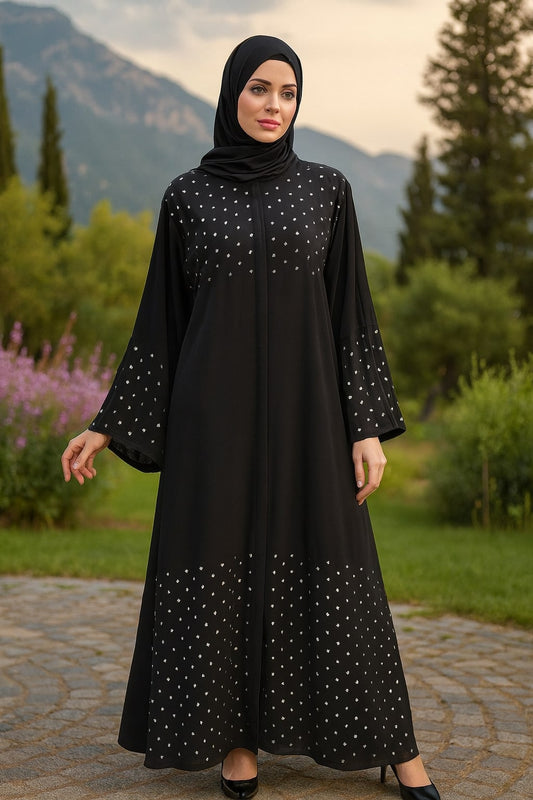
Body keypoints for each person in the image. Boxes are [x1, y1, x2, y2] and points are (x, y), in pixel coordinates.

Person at [61, 35, 441, 800]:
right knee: (220, 569)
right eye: (260, 89)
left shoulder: (327, 189)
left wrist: (363, 428)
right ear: (233, 92)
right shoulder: (186, 196)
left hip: (311, 422)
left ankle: (399, 752)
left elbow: (349, 316)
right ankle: (236, 748)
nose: (274, 106)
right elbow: (160, 327)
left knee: (344, 570)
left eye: (288, 93)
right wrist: (107, 422)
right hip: (214, 426)